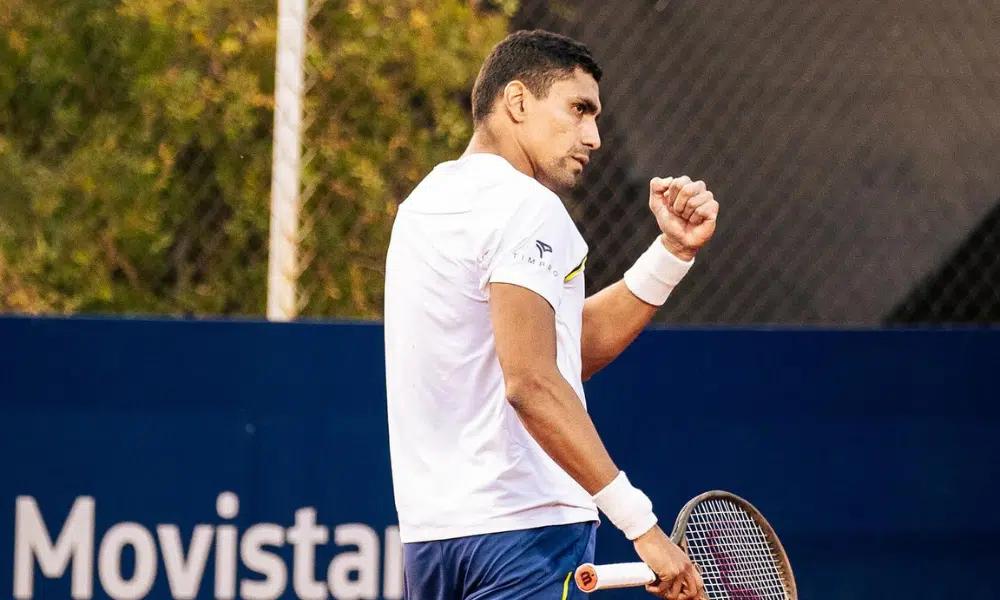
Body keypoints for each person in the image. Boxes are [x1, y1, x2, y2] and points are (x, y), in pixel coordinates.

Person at [384, 29, 718, 600]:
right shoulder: (529, 207)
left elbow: (562, 350)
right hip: (527, 533)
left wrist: (671, 253)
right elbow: (534, 382)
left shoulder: (422, 206)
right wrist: (642, 527)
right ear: (517, 102)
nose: (593, 136)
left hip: (432, 544)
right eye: (578, 109)